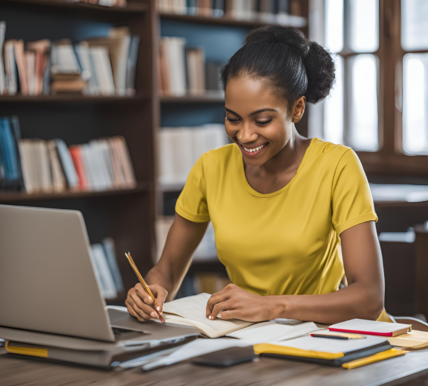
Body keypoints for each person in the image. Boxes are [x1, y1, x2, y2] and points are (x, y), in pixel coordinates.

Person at [126, 25, 387, 325]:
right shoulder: (211, 168)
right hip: (253, 339)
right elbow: (168, 269)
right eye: (232, 118)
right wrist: (151, 291)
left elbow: (369, 297)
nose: (245, 135)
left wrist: (272, 307)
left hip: (333, 339)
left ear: (297, 108)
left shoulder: (337, 166)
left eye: (262, 120)